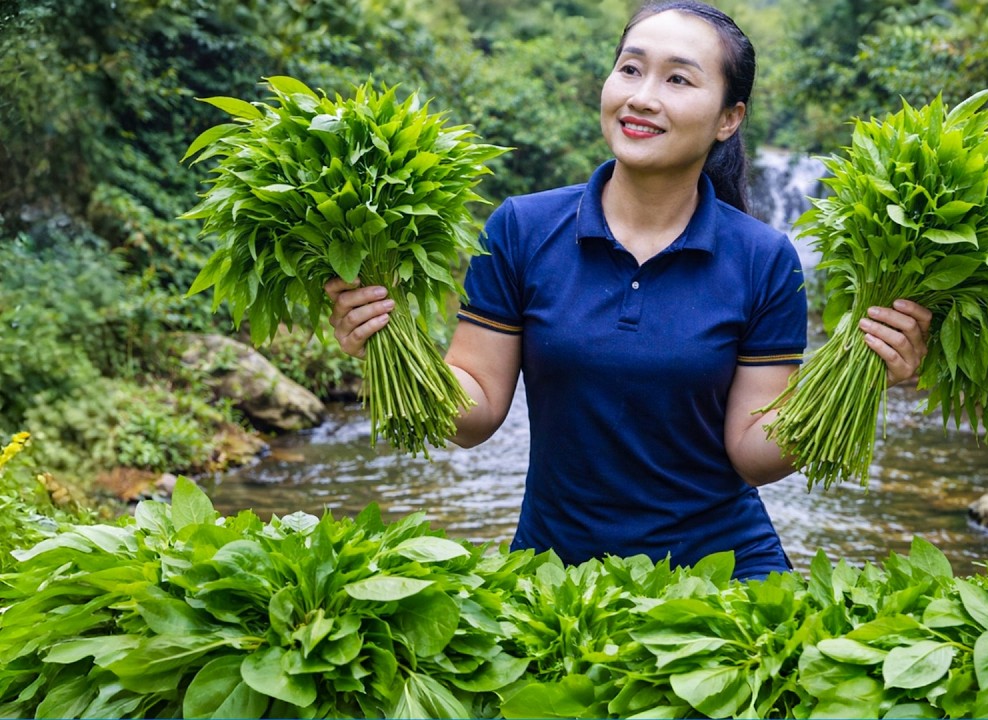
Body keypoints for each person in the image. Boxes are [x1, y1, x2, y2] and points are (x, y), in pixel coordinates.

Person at [325, 0, 932, 580]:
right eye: (631, 69)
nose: (642, 97)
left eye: (678, 80)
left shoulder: (763, 259)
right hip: (556, 573)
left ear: (730, 118)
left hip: (723, 574)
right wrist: (385, 342)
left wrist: (863, 370)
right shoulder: (522, 228)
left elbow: (752, 451)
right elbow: (475, 414)